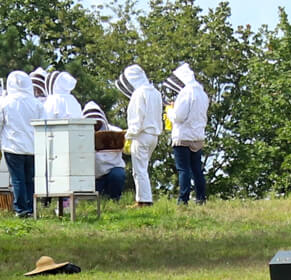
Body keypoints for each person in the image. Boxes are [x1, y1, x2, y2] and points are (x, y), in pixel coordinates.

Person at [0, 70, 42, 217]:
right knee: (29, 180)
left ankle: (21, 209)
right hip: (33, 148)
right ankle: (31, 209)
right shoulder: (37, 104)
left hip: (12, 147)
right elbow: (43, 126)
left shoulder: (4, 103)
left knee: (17, 179)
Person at [117, 63, 162, 206]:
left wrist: (127, 135)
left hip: (141, 135)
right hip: (154, 136)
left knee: (139, 170)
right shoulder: (155, 92)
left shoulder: (139, 94)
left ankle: (144, 201)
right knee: (143, 168)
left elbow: (137, 119)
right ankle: (143, 199)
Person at [169, 61, 208, 205]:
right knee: (197, 169)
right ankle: (201, 198)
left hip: (183, 136)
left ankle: (183, 199)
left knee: (183, 169)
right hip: (198, 136)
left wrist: (170, 111)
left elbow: (179, 116)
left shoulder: (186, 93)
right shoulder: (202, 93)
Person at [84, 101, 126, 201]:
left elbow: (127, 150)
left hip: (111, 174)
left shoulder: (115, 131)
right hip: (91, 178)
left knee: (118, 174)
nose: (95, 122)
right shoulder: (80, 135)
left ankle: (115, 200)